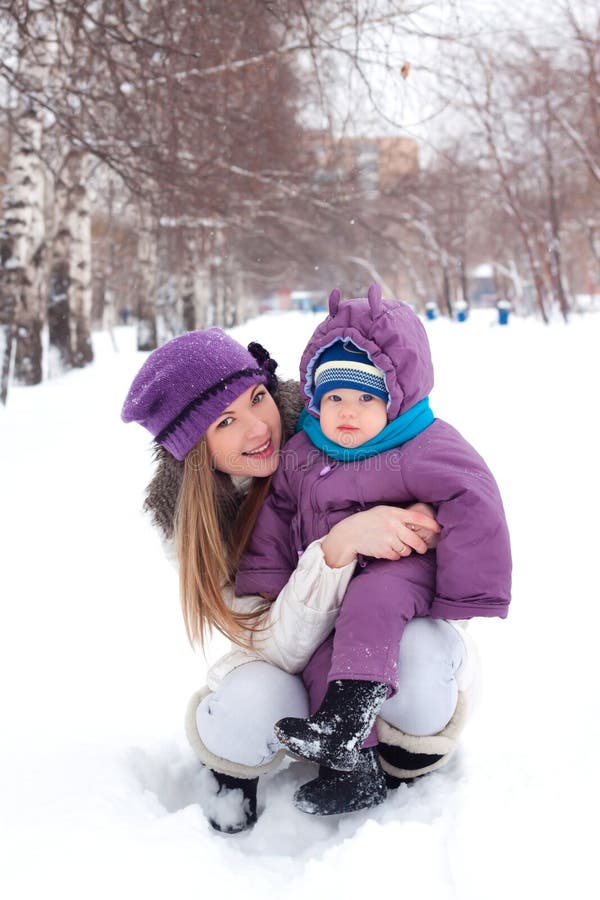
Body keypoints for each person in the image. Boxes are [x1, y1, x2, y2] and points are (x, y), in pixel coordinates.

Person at [122, 325, 477, 833]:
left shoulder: (340, 423)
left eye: (258, 398)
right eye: (225, 422)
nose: (258, 428)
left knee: (419, 658)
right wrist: (338, 547)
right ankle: (232, 775)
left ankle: (405, 769)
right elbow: (272, 645)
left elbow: (447, 476)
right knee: (253, 704)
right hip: (290, 666)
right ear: (195, 449)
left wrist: (429, 517)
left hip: (394, 640)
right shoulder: (199, 527)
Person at [236, 283, 511, 816]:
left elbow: (475, 498)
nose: (347, 412)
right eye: (334, 396)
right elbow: (275, 517)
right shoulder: (302, 451)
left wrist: (464, 592)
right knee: (324, 658)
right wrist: (266, 582)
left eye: (366, 397)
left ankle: (348, 715)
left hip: (401, 570)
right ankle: (352, 768)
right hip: (333, 582)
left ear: (395, 396)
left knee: (373, 601)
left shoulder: (421, 444)